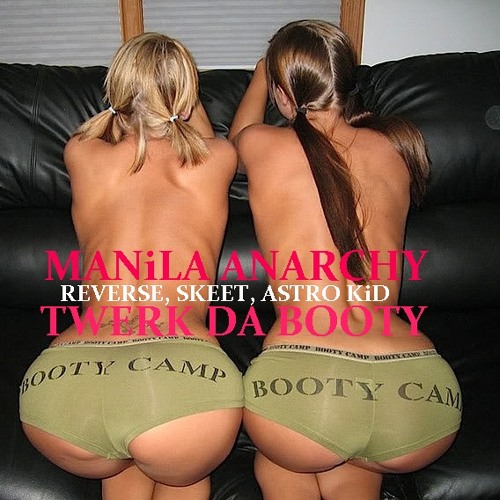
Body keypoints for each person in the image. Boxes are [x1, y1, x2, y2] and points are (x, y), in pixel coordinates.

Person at [228, 20, 461, 500]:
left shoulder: (261, 144)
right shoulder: (397, 147)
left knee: (283, 459)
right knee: (352, 461)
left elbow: (237, 137)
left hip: (306, 383)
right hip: (417, 394)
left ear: (282, 93)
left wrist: (260, 77)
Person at [19, 33, 243, 500]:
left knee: (125, 453)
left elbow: (116, 129)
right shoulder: (218, 159)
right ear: (186, 99)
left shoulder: (80, 152)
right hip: (179, 375)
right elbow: (198, 134)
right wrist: (184, 102)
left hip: (66, 387)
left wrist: (132, 108)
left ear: (116, 91)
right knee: (173, 459)